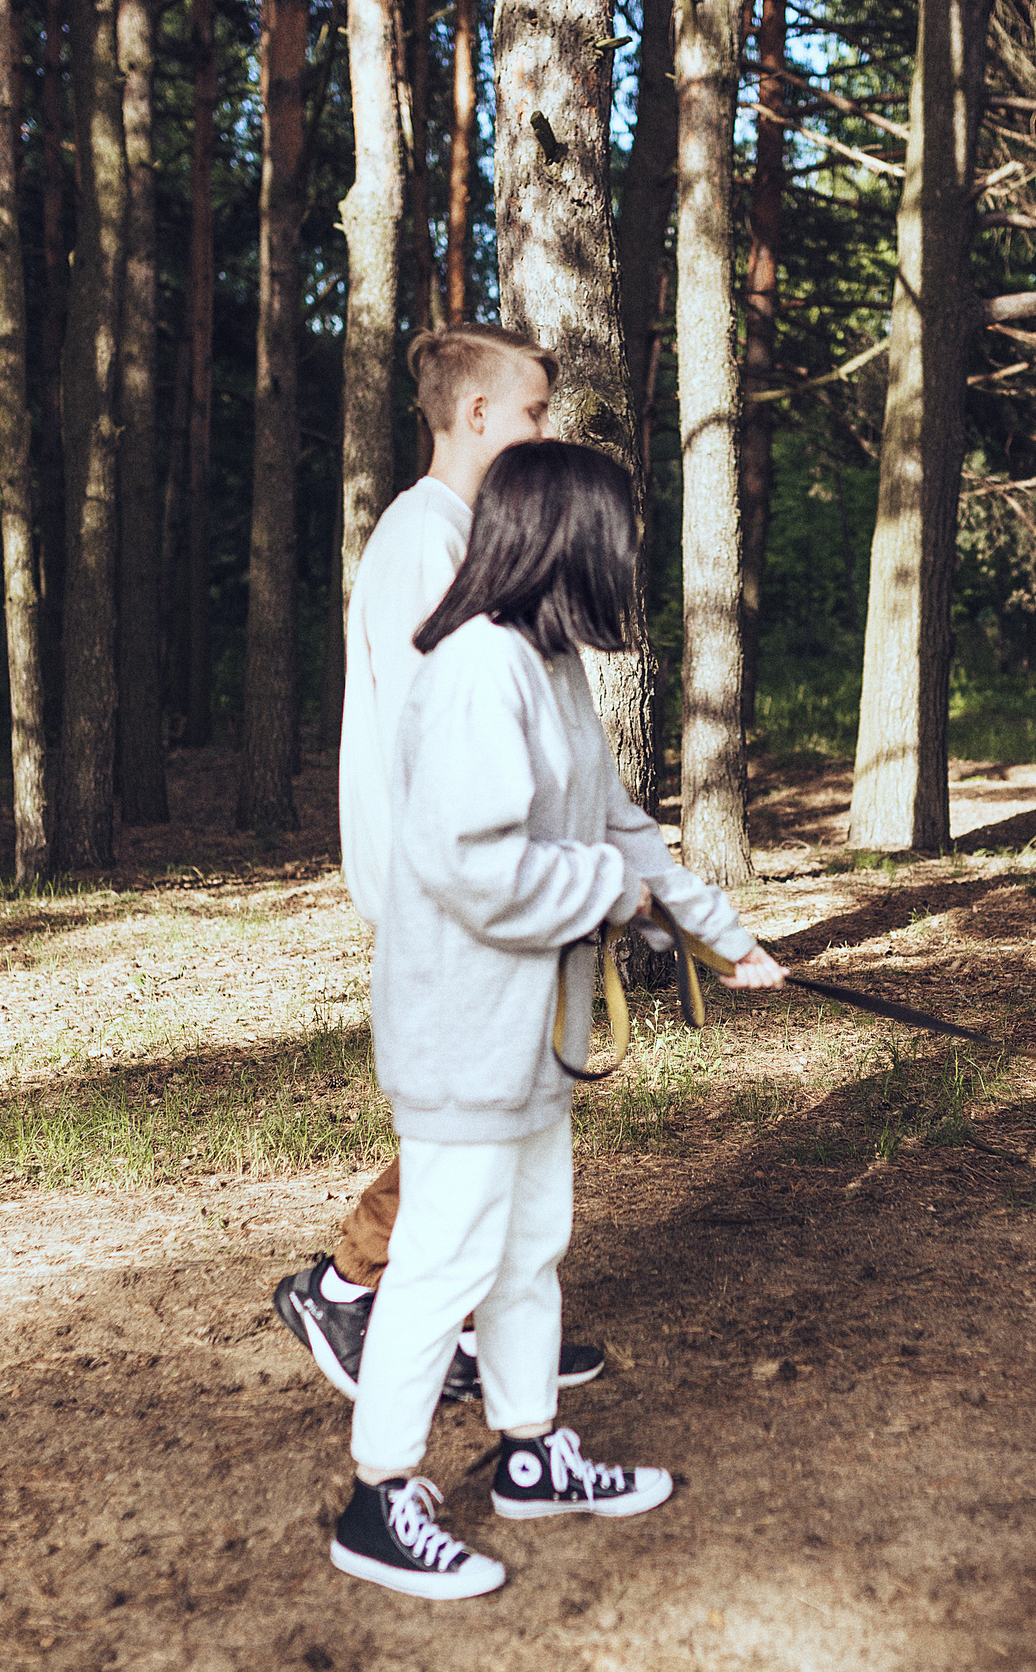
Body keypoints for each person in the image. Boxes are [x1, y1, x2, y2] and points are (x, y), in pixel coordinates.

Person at [327, 441, 785, 1598]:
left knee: (529, 1249)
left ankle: (531, 1451)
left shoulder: (549, 662)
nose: (624, 558)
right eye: (615, 536)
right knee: (441, 1263)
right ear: (562, 538)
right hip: (461, 1032)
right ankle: (377, 1500)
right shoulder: (477, 666)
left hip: (534, 1030)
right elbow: (473, 865)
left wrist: (721, 935)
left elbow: (618, 825)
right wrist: (611, 898)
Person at [272, 323, 599, 1403]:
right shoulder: (427, 537)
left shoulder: (463, 531)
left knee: (504, 1108)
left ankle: (484, 1322)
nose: (547, 432)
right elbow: (446, 737)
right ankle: (346, 1284)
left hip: (481, 881)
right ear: (475, 418)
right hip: (447, 884)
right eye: (535, 414)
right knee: (478, 1115)